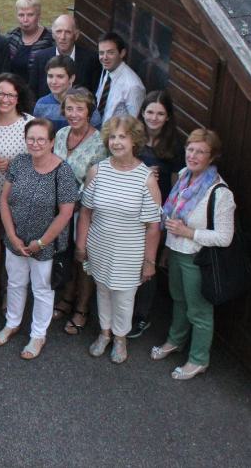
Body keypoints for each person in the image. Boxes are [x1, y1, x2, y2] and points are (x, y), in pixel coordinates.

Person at [76, 116, 162, 364]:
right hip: (99, 244)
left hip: (129, 251)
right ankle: (104, 333)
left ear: (134, 140)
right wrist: (81, 245)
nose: (116, 142)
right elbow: (86, 212)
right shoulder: (98, 170)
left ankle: (120, 338)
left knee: (124, 297)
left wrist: (149, 261)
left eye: (122, 136)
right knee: (102, 290)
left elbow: (153, 227)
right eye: (112, 137)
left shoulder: (146, 179)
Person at [151, 129, 235, 381]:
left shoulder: (220, 193)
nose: (193, 155)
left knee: (199, 311)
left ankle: (199, 359)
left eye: (201, 151)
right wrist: (167, 248)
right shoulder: (185, 176)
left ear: (212, 157)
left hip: (197, 258)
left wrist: (189, 232)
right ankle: (175, 340)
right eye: (190, 149)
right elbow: (172, 216)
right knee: (178, 299)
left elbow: (224, 237)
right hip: (176, 252)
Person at [0, 118, 78, 359]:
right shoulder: (19, 163)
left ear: (52, 142)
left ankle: (38, 335)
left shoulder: (63, 171)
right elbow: (4, 200)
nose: (35, 143)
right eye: (31, 138)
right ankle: (12, 323)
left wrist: (41, 242)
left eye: (41, 139)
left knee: (42, 290)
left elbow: (66, 212)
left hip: (45, 245)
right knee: (15, 283)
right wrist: (11, 234)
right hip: (16, 239)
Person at [52, 88, 108, 335]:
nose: (73, 114)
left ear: (89, 112)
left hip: (85, 211)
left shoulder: (100, 142)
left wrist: (76, 201)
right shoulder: (62, 133)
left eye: (79, 109)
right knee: (64, 255)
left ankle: (82, 309)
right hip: (59, 209)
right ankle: (66, 297)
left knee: (82, 258)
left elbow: (99, 181)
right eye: (69, 108)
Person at [130, 90, 183, 337]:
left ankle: (141, 315)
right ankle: (124, 309)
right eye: (150, 111)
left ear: (168, 117)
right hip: (129, 206)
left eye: (160, 113)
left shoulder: (174, 147)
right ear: (142, 112)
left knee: (147, 262)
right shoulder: (133, 138)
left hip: (156, 211)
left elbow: (177, 187)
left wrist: (168, 217)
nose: (154, 117)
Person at [0, 73, 33, 311]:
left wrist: (14, 165)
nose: (5, 99)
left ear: (18, 97)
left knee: (12, 245)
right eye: (0, 93)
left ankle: (9, 290)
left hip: (16, 197)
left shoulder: (28, 124)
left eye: (11, 94)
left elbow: (40, 161)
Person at [29, 13, 101, 95]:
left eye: (68, 32)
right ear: (53, 34)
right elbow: (32, 93)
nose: (63, 37)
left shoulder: (91, 60)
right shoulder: (40, 58)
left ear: (76, 35)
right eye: (59, 31)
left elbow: (94, 94)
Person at [95, 31, 145, 122]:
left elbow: (134, 124)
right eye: (101, 53)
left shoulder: (133, 86)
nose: (104, 57)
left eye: (110, 52)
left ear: (122, 53)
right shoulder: (106, 71)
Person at [6, 0, 54, 81]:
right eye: (21, 15)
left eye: (30, 15)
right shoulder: (11, 37)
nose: (25, 19)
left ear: (38, 15)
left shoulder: (50, 39)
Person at [32, 55, 76, 133]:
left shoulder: (85, 103)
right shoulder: (41, 104)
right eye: (50, 76)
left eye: (60, 77)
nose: (54, 82)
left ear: (72, 78)